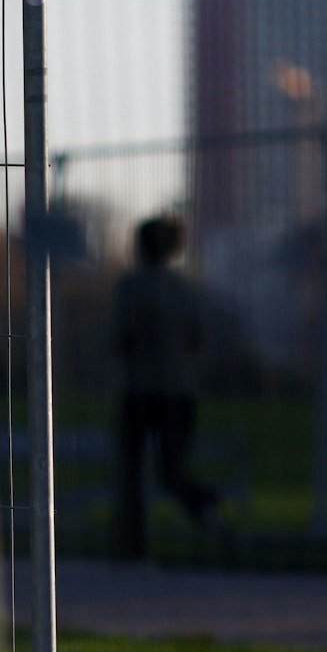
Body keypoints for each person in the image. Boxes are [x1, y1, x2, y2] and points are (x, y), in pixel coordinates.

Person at [111, 214, 221, 561]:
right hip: (180, 392)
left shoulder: (130, 287)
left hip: (140, 389)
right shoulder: (186, 289)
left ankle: (133, 547)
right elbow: (198, 338)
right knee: (172, 470)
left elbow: (121, 337)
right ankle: (203, 506)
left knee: (131, 473)